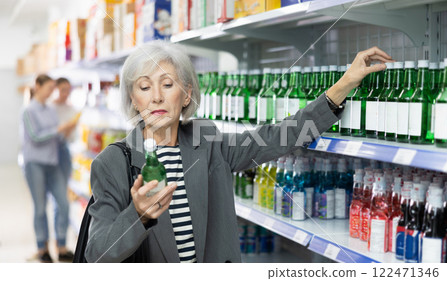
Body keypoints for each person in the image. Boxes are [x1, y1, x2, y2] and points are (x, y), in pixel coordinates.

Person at [85, 41, 392, 262]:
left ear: (187, 93)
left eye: (167, 84)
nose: (155, 97)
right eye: (143, 87)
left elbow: (278, 137)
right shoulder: (112, 162)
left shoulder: (208, 142)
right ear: (132, 98)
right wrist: (137, 216)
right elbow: (96, 252)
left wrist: (344, 84)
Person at [21, 74, 77, 262]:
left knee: (63, 203)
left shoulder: (51, 110)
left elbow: (57, 138)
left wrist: (66, 131)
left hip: (52, 163)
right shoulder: (28, 111)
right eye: (50, 87)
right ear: (38, 86)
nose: (52, 91)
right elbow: (35, 137)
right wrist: (58, 130)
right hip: (35, 163)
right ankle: (42, 248)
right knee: (40, 207)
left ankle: (61, 246)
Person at [52, 78, 78, 188]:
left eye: (68, 90)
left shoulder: (72, 110)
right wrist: (64, 128)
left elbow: (72, 137)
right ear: (55, 89)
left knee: (63, 185)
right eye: (63, 90)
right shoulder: (49, 108)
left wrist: (68, 130)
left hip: (64, 151)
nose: (66, 94)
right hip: (50, 152)